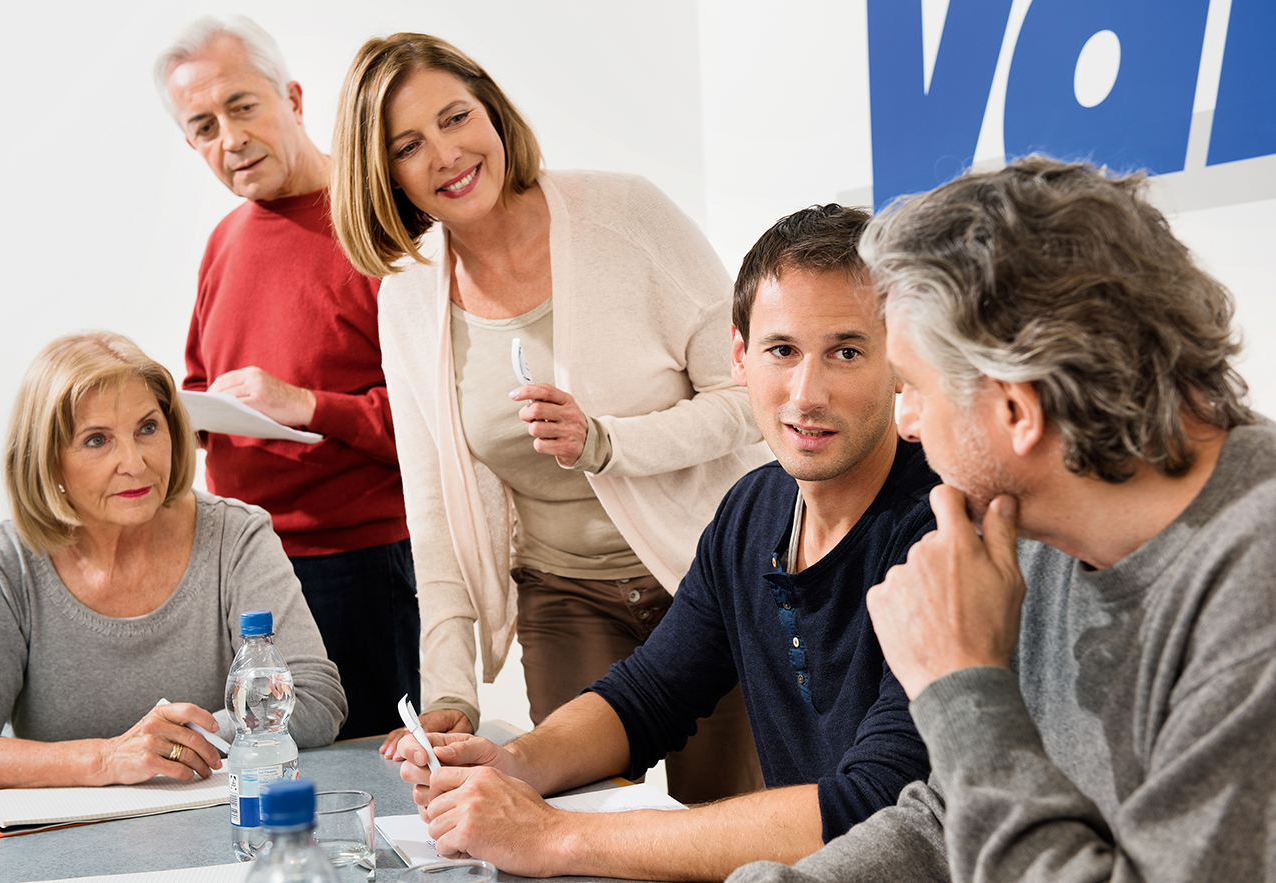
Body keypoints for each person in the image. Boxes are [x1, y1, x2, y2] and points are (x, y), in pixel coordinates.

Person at [728, 156, 1276, 883]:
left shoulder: (1255, 582)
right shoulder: (1040, 532)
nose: (908, 421)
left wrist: (961, 687)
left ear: (1016, 410)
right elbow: (953, 814)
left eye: (915, 387)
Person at [393, 205, 936, 881]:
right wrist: (517, 762)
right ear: (739, 356)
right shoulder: (752, 509)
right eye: (781, 350)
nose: (806, 392)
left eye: (846, 352)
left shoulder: (941, 530)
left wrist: (556, 835)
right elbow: (647, 694)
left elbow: (874, 806)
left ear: (903, 359)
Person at [328, 32, 771, 802]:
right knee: (573, 828)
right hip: (564, 597)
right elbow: (435, 517)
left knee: (728, 824)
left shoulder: (626, 215)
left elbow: (747, 398)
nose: (445, 153)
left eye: (455, 117)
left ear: (492, 110)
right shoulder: (406, 302)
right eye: (407, 145)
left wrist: (606, 443)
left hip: (706, 579)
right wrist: (450, 696)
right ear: (385, 175)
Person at [154, 16, 418, 740]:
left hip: (359, 562)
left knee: (371, 767)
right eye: (203, 125)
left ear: (292, 98)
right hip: (243, 561)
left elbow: (441, 425)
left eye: (242, 106)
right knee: (265, 765)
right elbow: (201, 378)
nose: (230, 139)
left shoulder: (380, 226)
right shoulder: (226, 240)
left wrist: (305, 405)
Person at [0, 332, 345, 796]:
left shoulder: (236, 535)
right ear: (48, 462)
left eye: (147, 428)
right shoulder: (1, 565)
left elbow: (315, 698)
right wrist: (107, 758)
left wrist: (169, 746)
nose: (135, 463)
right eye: (97, 440)